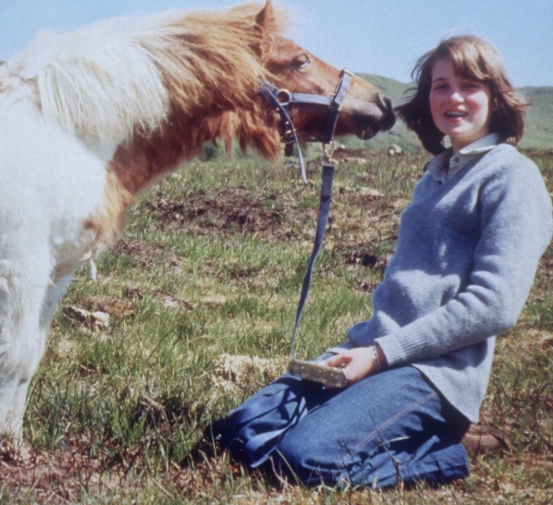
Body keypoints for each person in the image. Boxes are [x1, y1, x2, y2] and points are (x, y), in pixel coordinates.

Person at [207, 35, 553, 489]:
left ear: (494, 95)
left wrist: (379, 354)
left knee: (303, 461)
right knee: (237, 432)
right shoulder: (433, 177)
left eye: (469, 85)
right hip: (373, 353)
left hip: (435, 374)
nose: (453, 98)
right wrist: (368, 351)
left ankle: (447, 452)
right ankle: (385, 423)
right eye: (440, 85)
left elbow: (496, 306)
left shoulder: (513, 176)